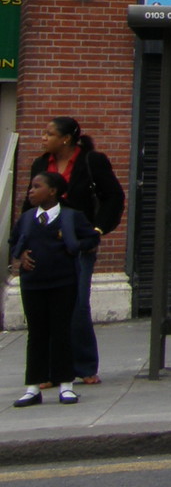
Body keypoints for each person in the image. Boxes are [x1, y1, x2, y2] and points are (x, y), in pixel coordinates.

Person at [30, 115, 124, 386]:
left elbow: (114, 196)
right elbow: (31, 202)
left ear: (66, 139)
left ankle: (83, 365)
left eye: (49, 134)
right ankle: (49, 370)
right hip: (47, 245)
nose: (43, 138)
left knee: (77, 304)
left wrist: (97, 230)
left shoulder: (91, 161)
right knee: (48, 306)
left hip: (79, 243)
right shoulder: (40, 163)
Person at [10, 172, 94, 406]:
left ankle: (66, 384)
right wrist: (20, 254)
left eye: (37, 187)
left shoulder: (70, 217)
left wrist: (75, 246)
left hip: (62, 282)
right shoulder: (27, 218)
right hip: (33, 284)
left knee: (61, 331)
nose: (31, 191)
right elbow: (14, 241)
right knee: (36, 333)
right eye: (31, 187)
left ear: (53, 191)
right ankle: (33, 387)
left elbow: (90, 239)